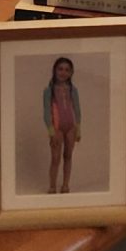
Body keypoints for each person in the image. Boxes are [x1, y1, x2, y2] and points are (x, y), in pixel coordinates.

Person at [43, 55, 81, 192]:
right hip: (57, 128)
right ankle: (52, 186)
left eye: (67, 70)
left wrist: (79, 128)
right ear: (55, 70)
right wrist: (51, 131)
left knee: (68, 156)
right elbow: (47, 113)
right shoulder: (49, 91)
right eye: (60, 69)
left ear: (71, 73)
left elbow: (77, 109)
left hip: (70, 127)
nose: (63, 72)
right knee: (55, 158)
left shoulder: (73, 90)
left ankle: (65, 184)